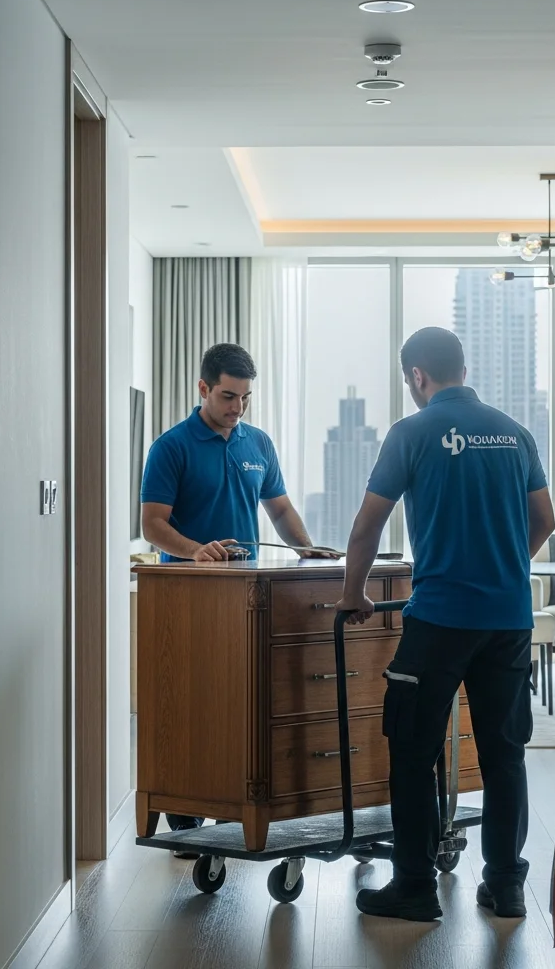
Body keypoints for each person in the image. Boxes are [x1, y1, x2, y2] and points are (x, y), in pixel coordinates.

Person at [338, 326, 555, 922]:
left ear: (417, 376)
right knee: (504, 753)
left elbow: (366, 526)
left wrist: (353, 593)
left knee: (412, 749)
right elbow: (545, 519)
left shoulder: (412, 432)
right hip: (509, 620)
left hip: (439, 620)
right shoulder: (516, 433)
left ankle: (414, 887)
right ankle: (507, 885)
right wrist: (504, 567)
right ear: (461, 367)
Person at [140, 341, 333, 839]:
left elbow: (282, 510)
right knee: (189, 702)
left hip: (246, 598)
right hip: (188, 600)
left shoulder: (258, 443)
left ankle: (231, 795)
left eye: (244, 398)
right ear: (203, 388)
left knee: (238, 703)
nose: (236, 408)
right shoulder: (171, 446)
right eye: (227, 396)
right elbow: (152, 525)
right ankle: (185, 806)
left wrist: (306, 548)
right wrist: (195, 550)